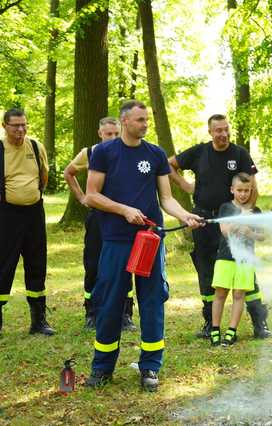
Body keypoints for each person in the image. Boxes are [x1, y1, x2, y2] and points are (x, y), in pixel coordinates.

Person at [84, 100, 203, 391]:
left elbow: (167, 198)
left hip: (149, 240)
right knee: (110, 302)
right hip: (115, 240)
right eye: (140, 120)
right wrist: (124, 210)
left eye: (146, 120)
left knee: (152, 302)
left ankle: (150, 367)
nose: (145, 124)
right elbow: (91, 195)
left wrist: (185, 216)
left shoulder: (156, 154)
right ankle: (102, 367)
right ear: (125, 121)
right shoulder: (103, 152)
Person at [168, 114, 271, 340]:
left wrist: (246, 215)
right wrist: (185, 184)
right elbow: (169, 164)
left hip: (235, 221)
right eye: (218, 130)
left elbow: (252, 186)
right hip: (204, 220)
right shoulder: (198, 152)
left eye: (226, 129)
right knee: (206, 271)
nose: (223, 134)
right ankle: (210, 323)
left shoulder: (240, 154)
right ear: (210, 132)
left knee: (245, 270)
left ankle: (259, 322)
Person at [64, 117, 136, 331]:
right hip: (98, 217)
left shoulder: (128, 151)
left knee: (125, 265)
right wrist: (82, 197)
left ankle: (125, 314)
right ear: (100, 133)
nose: (112, 137)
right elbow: (69, 172)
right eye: (108, 134)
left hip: (123, 216)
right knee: (93, 264)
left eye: (116, 133)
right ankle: (92, 312)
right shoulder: (90, 152)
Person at [0, 108, 55, 336]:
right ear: (5, 126)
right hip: (6, 215)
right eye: (16, 126)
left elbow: (44, 175)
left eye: (24, 125)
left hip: (34, 213)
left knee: (37, 263)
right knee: (3, 265)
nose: (21, 130)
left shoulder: (35, 146)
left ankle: (38, 321)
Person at [211, 172, 264, 347]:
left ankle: (231, 331)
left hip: (245, 261)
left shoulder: (256, 212)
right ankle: (215, 329)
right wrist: (240, 220)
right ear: (232, 189)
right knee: (220, 293)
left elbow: (262, 236)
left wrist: (251, 233)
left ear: (251, 191)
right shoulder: (226, 208)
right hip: (225, 258)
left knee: (239, 294)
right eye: (239, 190)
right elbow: (225, 231)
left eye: (247, 191)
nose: (243, 194)